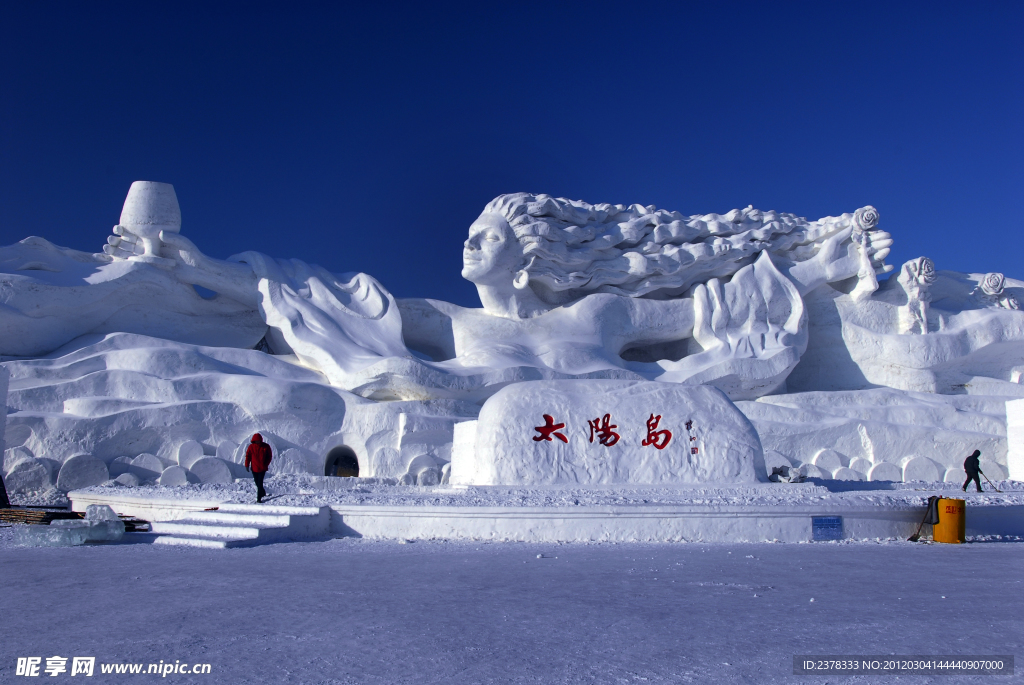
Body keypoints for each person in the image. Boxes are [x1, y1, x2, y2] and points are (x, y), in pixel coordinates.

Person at [244, 433, 273, 503]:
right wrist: (247, 465)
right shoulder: (251, 447)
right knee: (257, 483)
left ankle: (259, 498)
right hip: (254, 468)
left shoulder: (266, 446)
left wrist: (266, 464)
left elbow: (269, 456)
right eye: (256, 441)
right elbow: (248, 456)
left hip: (262, 468)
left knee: (260, 483)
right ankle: (263, 492)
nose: (257, 442)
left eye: (259, 440)